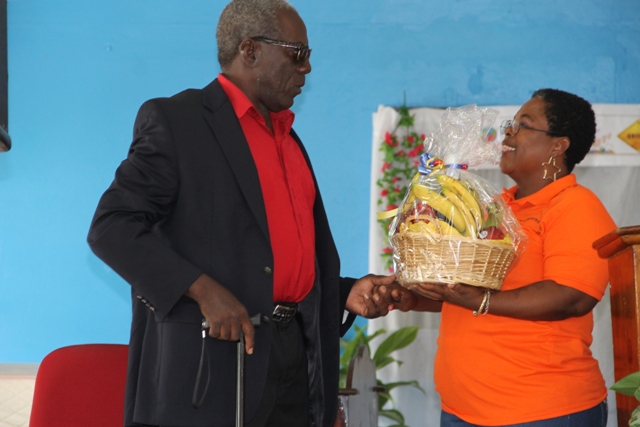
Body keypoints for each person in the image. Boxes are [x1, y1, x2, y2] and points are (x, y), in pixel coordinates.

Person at [87, 1, 400, 426]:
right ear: (250, 51)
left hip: (293, 357)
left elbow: (269, 259)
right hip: (212, 365)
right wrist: (201, 289)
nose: (306, 68)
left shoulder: (290, 140)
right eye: (298, 53)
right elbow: (111, 228)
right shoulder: (179, 122)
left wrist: (343, 290)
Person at [385, 89, 617, 426]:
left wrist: (480, 300)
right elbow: (471, 291)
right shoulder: (494, 209)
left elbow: (571, 297)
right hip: (461, 411)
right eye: (510, 123)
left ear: (558, 145)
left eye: (524, 124)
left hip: (542, 411)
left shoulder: (576, 206)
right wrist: (413, 297)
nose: (508, 131)